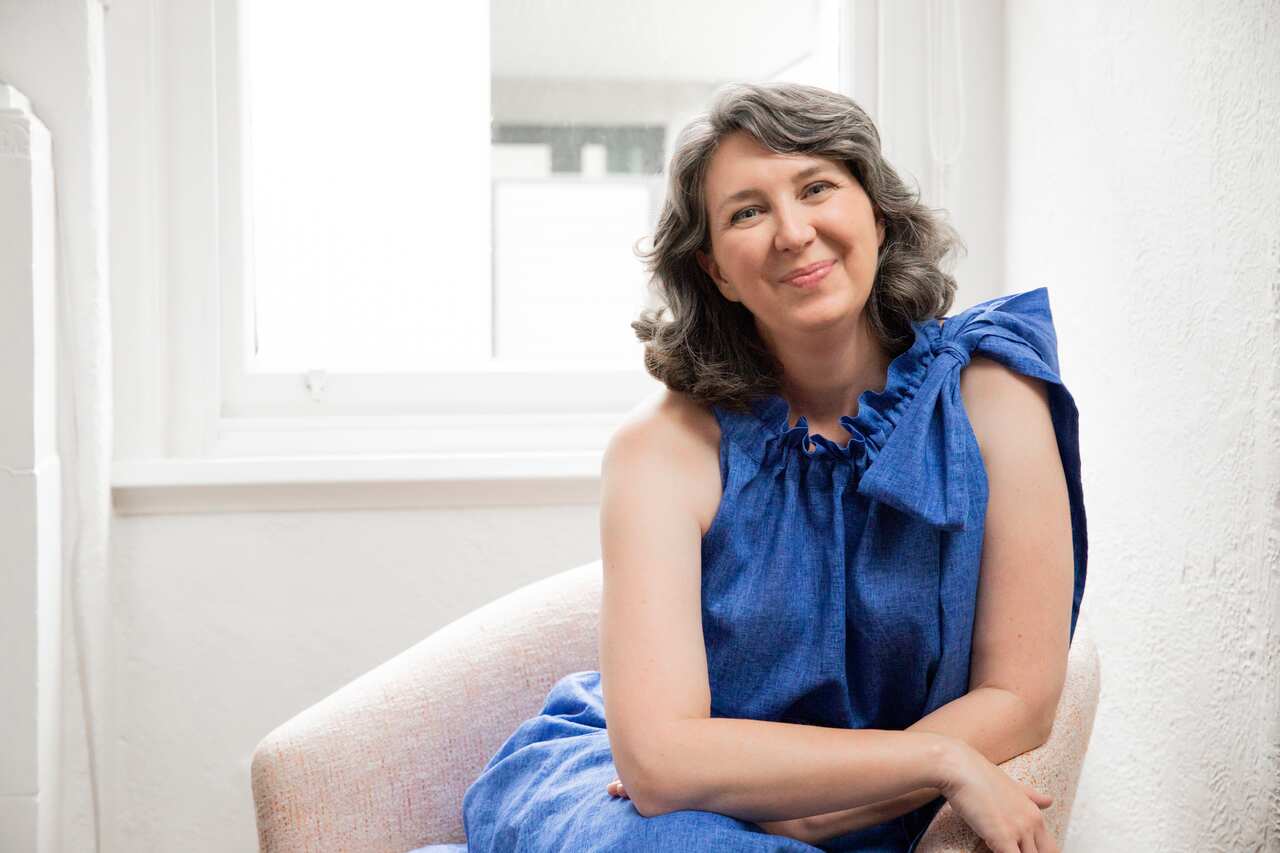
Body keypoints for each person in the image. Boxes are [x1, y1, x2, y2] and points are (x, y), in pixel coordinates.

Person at [415, 81, 1087, 853]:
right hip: (638, 803)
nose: (794, 232)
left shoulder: (996, 393)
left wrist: (824, 805)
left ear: (876, 210)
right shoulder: (662, 449)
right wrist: (937, 759)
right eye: (747, 211)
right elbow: (662, 766)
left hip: (772, 809)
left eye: (817, 187)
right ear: (716, 272)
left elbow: (1023, 695)